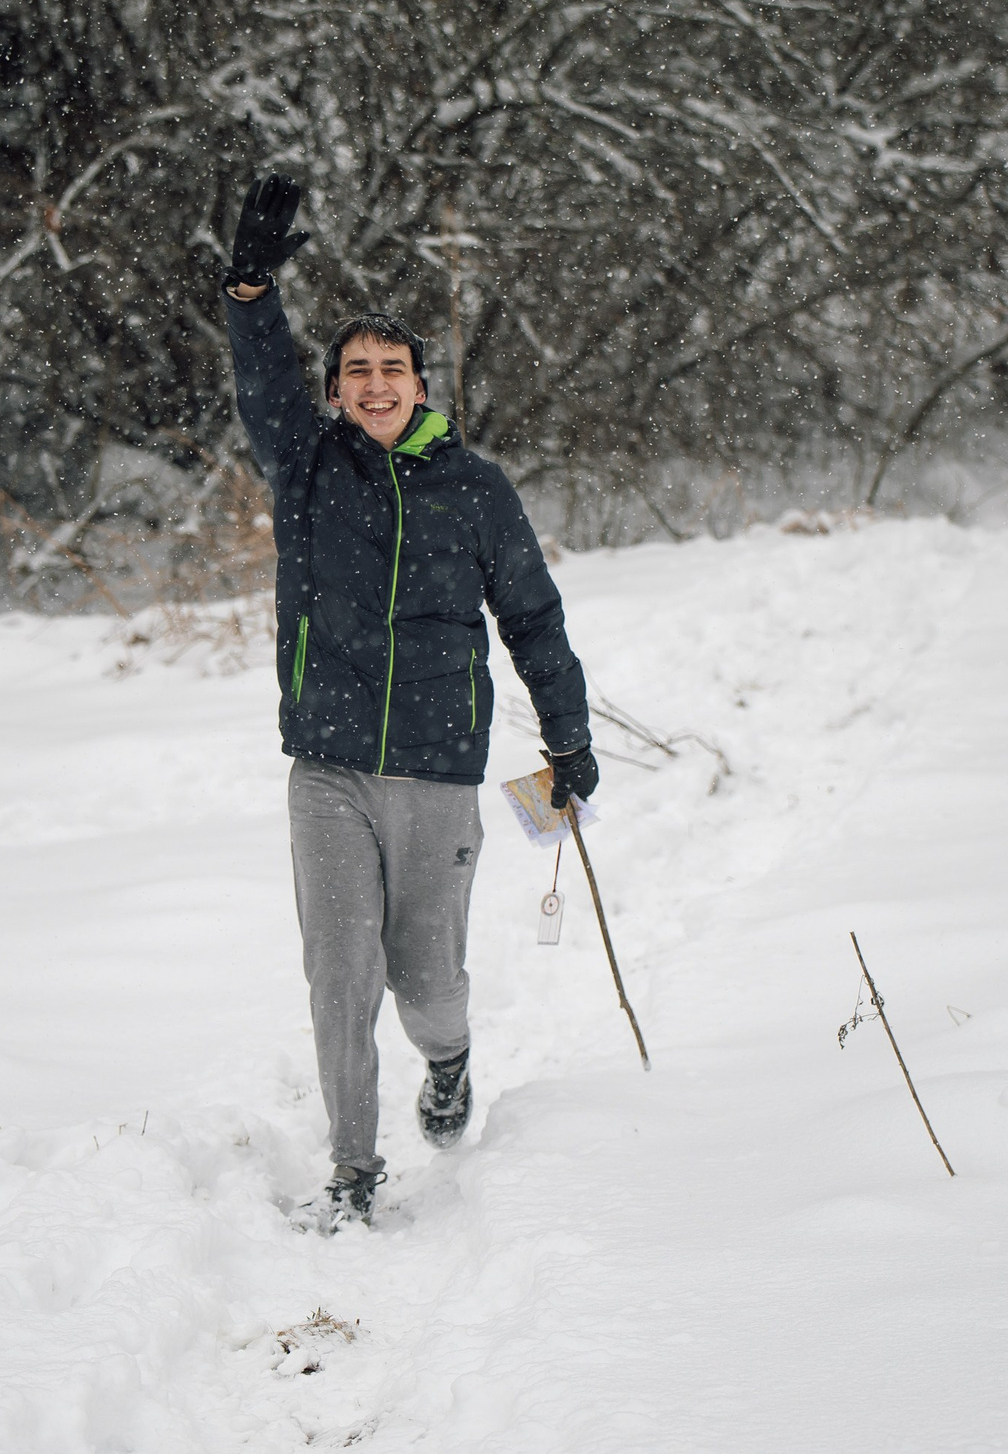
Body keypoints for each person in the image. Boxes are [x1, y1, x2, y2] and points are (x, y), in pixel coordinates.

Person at [221, 172, 599, 1232]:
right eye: (355, 371)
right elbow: (259, 387)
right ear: (335, 388)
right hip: (329, 766)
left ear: (421, 384)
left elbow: (533, 617)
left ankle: (450, 1055)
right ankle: (351, 1168)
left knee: (425, 979)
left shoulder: (474, 487)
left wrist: (567, 739)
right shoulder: (303, 466)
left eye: (392, 368)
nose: (374, 383)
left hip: (437, 771)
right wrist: (251, 294)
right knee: (339, 973)